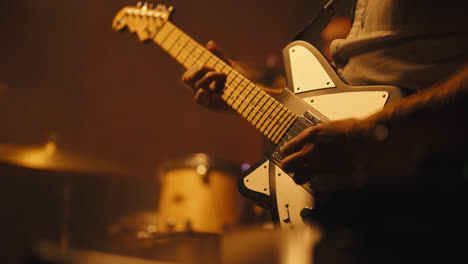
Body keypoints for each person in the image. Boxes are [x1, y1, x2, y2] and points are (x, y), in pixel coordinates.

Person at [182, 0, 467, 262]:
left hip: (422, 201)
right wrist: (243, 95)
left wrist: (367, 133)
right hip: (348, 211)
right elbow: (343, 99)